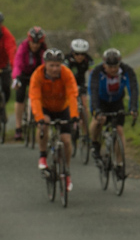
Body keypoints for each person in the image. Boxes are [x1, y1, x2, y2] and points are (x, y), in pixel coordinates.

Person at [29, 48, 80, 193]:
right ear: (45, 64)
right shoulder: (37, 75)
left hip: (62, 108)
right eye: (51, 65)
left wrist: (74, 115)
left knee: (66, 140)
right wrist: (39, 118)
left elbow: (72, 95)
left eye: (57, 65)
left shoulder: (66, 74)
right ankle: (43, 155)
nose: (55, 69)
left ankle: (66, 172)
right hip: (45, 108)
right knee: (44, 124)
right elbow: (35, 98)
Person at [88, 48, 138, 165]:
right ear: (104, 64)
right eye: (109, 67)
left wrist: (133, 108)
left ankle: (119, 163)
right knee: (99, 120)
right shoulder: (97, 72)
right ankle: (95, 143)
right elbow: (93, 91)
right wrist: (96, 109)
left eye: (115, 66)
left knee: (119, 130)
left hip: (117, 102)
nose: (113, 69)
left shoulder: (127, 70)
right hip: (101, 102)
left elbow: (133, 89)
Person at [11, 26, 47, 141]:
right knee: (20, 96)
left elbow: (45, 65)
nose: (35, 46)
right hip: (23, 74)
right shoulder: (23, 47)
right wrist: (16, 78)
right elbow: (17, 63)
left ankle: (40, 121)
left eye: (38, 43)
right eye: (33, 43)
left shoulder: (43, 50)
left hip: (37, 75)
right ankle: (18, 127)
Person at [65, 38, 93, 137]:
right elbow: (64, 75)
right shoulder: (67, 60)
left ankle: (86, 133)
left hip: (81, 83)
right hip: (69, 83)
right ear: (72, 52)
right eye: (77, 54)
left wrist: (91, 85)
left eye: (82, 54)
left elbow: (91, 74)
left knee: (84, 106)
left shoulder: (88, 60)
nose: (80, 56)